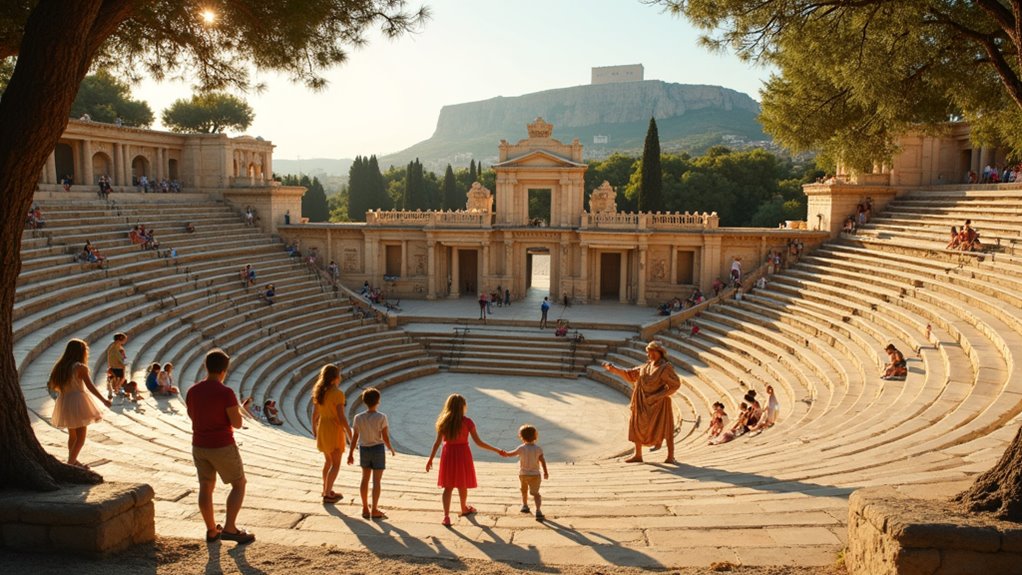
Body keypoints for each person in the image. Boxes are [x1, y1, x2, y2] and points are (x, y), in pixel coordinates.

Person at [186, 349, 254, 544]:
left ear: (206, 367)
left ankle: (211, 530)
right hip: (222, 444)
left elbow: (193, 415)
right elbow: (237, 423)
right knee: (239, 484)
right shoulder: (226, 393)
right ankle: (230, 528)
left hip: (199, 444)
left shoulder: (193, 390)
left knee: (205, 486)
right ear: (225, 370)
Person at [425, 393, 503, 526]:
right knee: (462, 483)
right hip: (463, 454)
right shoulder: (468, 422)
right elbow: (479, 442)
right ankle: (463, 508)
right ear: (463, 407)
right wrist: (497, 450)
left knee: (448, 487)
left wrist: (430, 459)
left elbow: (437, 443)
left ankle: (446, 516)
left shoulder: (443, 422)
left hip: (448, 454)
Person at [602, 341, 682, 464]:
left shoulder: (665, 368)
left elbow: (675, 384)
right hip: (642, 401)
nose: (650, 355)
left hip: (659, 404)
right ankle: (638, 455)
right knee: (636, 426)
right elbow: (630, 374)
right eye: (649, 353)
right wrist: (614, 369)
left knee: (666, 428)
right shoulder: (646, 366)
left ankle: (670, 456)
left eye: (653, 352)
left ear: (660, 353)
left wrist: (658, 396)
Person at [48, 339, 111, 468]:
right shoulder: (80, 367)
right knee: (81, 437)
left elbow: (53, 386)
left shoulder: (60, 366)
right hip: (78, 400)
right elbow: (90, 387)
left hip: (64, 400)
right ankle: (70, 464)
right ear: (82, 352)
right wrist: (103, 400)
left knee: (72, 436)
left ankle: (73, 459)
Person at [347, 387, 395, 519]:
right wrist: (390, 447)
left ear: (364, 402)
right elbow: (385, 437)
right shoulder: (381, 417)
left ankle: (364, 508)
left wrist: (350, 453)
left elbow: (355, 437)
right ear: (378, 401)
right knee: (377, 481)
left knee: (365, 479)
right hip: (378, 449)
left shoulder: (358, 417)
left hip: (364, 449)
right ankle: (374, 509)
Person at [311, 364, 350, 504]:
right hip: (333, 429)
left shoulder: (319, 391)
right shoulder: (338, 394)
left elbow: (314, 414)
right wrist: (349, 433)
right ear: (335, 378)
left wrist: (314, 429)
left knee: (328, 462)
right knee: (336, 464)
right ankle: (328, 494)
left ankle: (325, 489)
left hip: (322, 427)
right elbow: (341, 417)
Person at [501, 424, 549, 521]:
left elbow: (510, 454)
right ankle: (538, 511)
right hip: (535, 475)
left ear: (521, 437)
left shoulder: (521, 448)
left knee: (524, 490)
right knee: (536, 494)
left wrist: (504, 453)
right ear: (535, 436)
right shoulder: (538, 449)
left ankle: (525, 506)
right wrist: (545, 472)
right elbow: (542, 461)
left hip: (523, 474)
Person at [106, 333, 128, 401]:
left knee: (118, 379)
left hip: (116, 365)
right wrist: (122, 365)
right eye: (124, 339)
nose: (125, 340)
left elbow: (122, 356)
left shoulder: (116, 346)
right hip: (117, 366)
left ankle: (116, 389)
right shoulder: (114, 348)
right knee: (120, 378)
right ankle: (116, 389)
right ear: (120, 339)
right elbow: (117, 357)